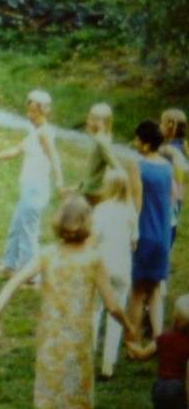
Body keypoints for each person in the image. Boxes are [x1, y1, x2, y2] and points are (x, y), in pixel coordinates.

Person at [0, 195, 134, 409]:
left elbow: (14, 282)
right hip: (78, 344)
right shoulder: (93, 259)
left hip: (51, 342)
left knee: (49, 399)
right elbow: (112, 306)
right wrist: (130, 328)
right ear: (87, 223)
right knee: (76, 400)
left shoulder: (48, 254)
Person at [0, 89, 64, 277]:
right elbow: (16, 150)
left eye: (34, 112)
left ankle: (30, 276)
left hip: (36, 189)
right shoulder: (34, 132)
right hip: (27, 188)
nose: (30, 116)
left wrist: (59, 183)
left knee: (28, 232)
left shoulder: (44, 134)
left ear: (44, 112)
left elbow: (54, 158)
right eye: (29, 111)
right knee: (17, 225)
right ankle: (10, 264)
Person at [128, 119, 175, 344]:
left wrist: (131, 232)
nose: (135, 142)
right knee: (155, 290)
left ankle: (133, 338)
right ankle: (158, 340)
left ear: (145, 144)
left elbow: (136, 203)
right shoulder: (167, 167)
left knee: (137, 291)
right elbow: (172, 197)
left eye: (137, 139)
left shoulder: (138, 166)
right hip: (163, 235)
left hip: (144, 233)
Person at [91, 169, 139, 380]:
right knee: (116, 314)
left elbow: (92, 240)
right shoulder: (131, 212)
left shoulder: (101, 210)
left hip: (102, 266)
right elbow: (134, 242)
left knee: (95, 310)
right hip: (122, 267)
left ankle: (88, 355)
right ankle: (108, 364)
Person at [127, 292, 189, 409]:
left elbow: (142, 354)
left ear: (175, 318)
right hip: (178, 388)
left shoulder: (164, 337)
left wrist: (130, 344)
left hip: (160, 386)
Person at [76, 102, 142, 208]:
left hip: (95, 191)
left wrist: (126, 186)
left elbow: (115, 165)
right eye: (89, 118)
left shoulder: (101, 142)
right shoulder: (98, 139)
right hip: (89, 188)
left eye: (94, 120)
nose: (89, 122)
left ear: (104, 123)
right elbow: (91, 169)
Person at [159, 108, 188, 246]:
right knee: (172, 220)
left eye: (162, 124)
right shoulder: (182, 145)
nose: (159, 127)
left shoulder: (168, 149)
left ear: (170, 128)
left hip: (169, 191)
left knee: (166, 221)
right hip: (178, 192)